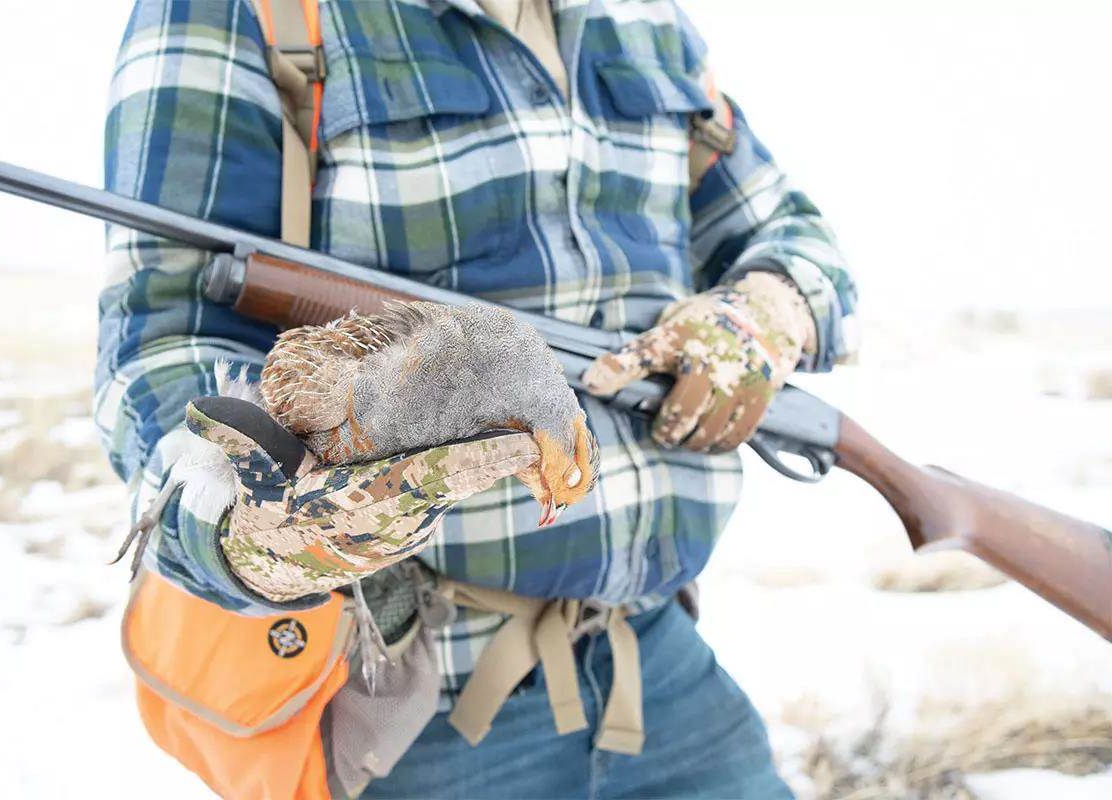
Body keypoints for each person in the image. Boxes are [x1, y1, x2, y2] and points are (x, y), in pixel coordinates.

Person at [98, 1, 857, 797]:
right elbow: (162, 341)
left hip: (662, 666)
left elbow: (790, 231)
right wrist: (249, 526)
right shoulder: (253, 12)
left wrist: (769, 308)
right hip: (406, 700)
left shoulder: (646, 20)